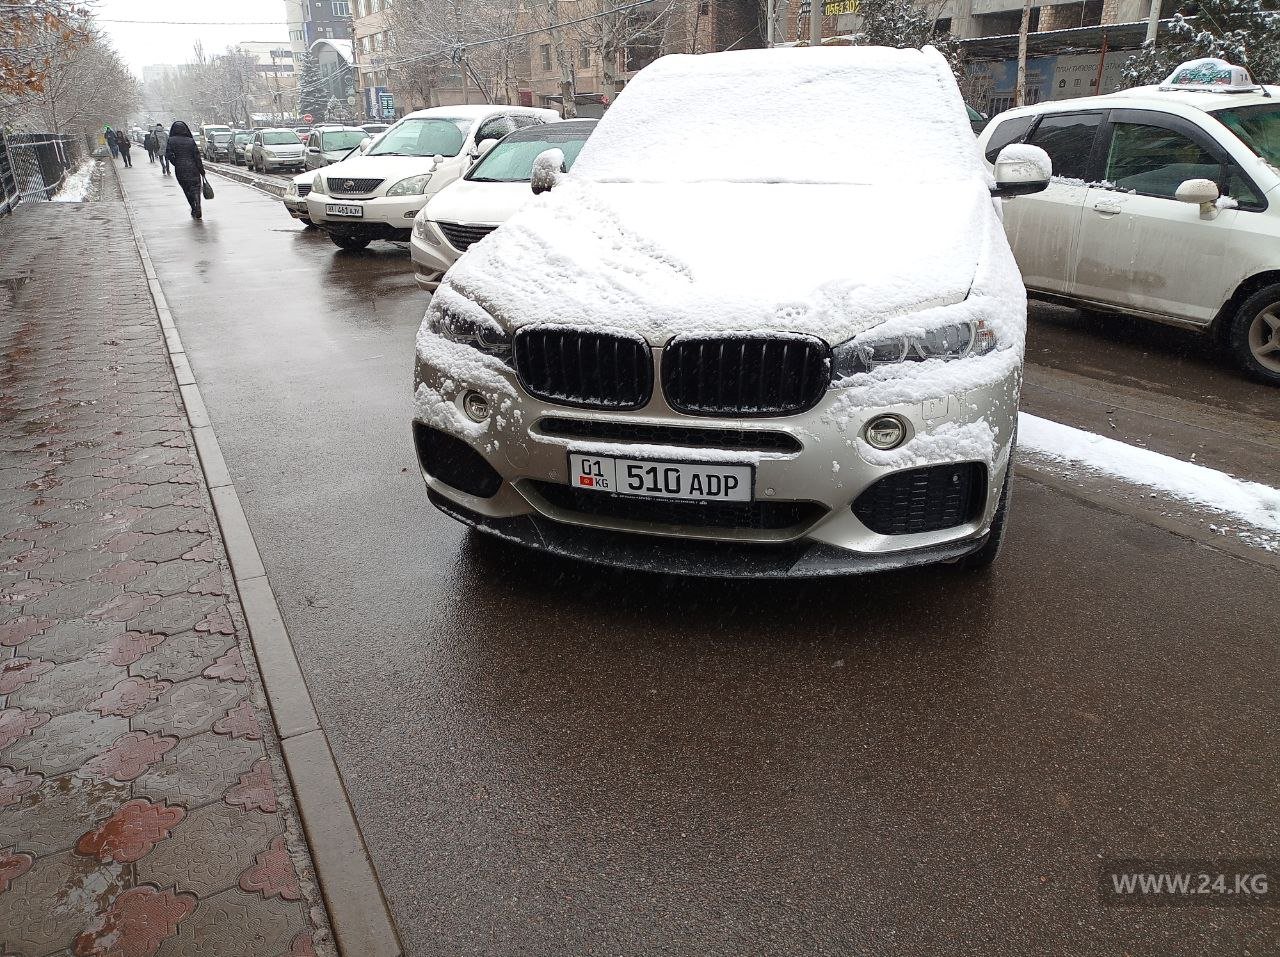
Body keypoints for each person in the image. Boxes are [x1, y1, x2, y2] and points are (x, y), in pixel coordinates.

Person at [165, 121, 206, 219]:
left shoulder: (171, 140)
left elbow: (168, 155)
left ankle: (193, 207)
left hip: (180, 169)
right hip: (193, 168)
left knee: (187, 189)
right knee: (196, 188)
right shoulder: (190, 141)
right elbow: (197, 157)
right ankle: (198, 204)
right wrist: (201, 170)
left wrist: (176, 162)